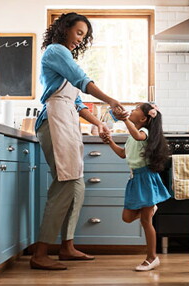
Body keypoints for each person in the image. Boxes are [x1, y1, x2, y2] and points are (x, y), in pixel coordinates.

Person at [31, 12, 127, 271]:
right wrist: (111, 100)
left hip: (67, 118)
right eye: (78, 33)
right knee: (66, 183)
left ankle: (67, 246)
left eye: (83, 36)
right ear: (64, 29)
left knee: (76, 185)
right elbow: (82, 80)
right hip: (53, 119)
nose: (79, 40)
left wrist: (99, 123)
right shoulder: (55, 51)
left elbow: (77, 102)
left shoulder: (65, 56)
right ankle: (40, 253)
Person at [101, 103, 171, 271]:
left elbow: (139, 136)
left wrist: (125, 120)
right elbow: (123, 154)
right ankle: (152, 208)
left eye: (136, 109)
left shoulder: (143, 132)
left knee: (146, 222)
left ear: (143, 119)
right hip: (135, 179)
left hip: (145, 178)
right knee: (127, 217)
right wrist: (109, 141)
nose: (132, 110)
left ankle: (152, 258)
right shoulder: (132, 135)